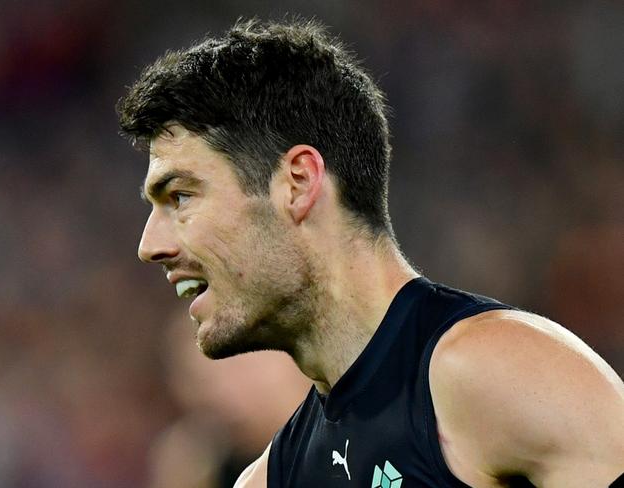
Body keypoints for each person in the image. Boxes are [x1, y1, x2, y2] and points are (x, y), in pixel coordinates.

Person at [116, 18, 624, 488]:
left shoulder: (501, 376)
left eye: (180, 196)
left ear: (297, 184)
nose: (149, 246)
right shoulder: (267, 480)